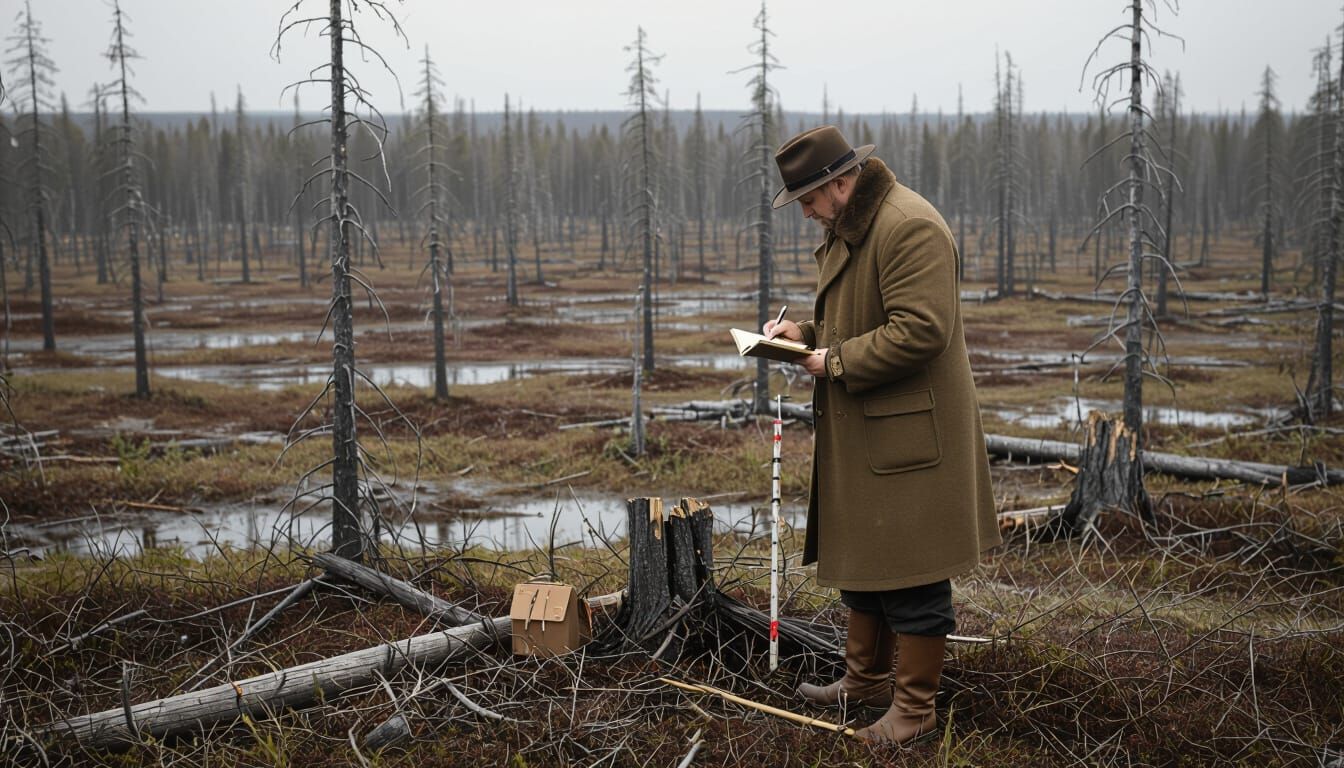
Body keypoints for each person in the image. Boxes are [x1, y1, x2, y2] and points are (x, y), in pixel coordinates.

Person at [763, 125, 1000, 746]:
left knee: (916, 573)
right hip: (872, 433)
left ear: (839, 183)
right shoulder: (853, 226)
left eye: (809, 200)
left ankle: (913, 712)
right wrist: (806, 336)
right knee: (869, 561)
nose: (807, 213)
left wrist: (834, 362)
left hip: (910, 437)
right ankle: (865, 680)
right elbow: (859, 317)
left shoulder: (908, 225)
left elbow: (922, 329)